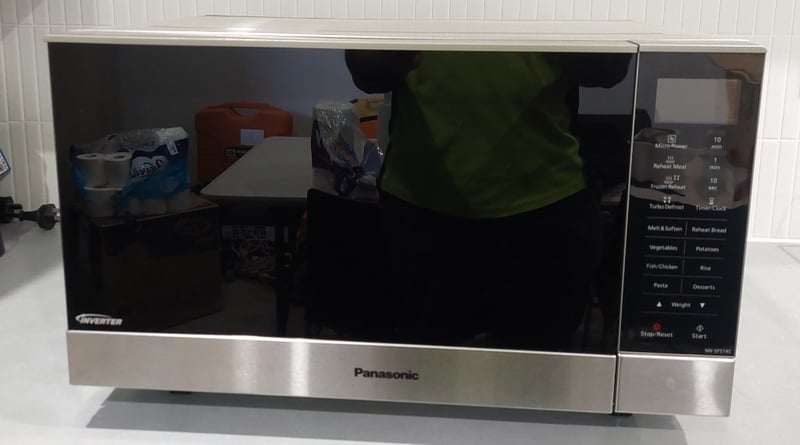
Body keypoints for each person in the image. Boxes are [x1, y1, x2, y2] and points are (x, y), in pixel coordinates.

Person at [345, 50, 629, 350]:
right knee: (426, 370)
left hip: (544, 214)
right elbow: (366, 72)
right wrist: (391, 55)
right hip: (425, 211)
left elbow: (609, 68)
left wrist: (557, 34)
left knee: (534, 372)